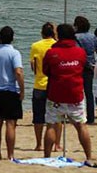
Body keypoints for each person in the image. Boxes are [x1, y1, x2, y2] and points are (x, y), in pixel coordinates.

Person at [43, 23, 92, 161]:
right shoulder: (80, 52)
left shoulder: (51, 53)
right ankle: (88, 156)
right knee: (81, 125)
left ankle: (47, 156)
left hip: (56, 95)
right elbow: (83, 67)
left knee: (51, 125)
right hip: (75, 95)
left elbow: (45, 71)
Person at [0, 26, 25, 160]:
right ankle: (10, 155)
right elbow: (18, 72)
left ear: (0, 38)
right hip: (10, 91)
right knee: (10, 124)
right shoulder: (14, 53)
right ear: (12, 38)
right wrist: (22, 90)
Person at [29, 22, 61, 151]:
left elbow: (33, 66)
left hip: (39, 84)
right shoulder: (57, 45)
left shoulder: (35, 46)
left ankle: (38, 144)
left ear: (42, 33)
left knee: (38, 117)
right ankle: (57, 144)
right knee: (56, 116)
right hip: (54, 85)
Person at [75, 15, 97, 125]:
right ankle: (91, 117)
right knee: (89, 93)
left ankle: (78, 115)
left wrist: (87, 63)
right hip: (91, 68)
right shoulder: (92, 36)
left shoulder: (76, 37)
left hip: (78, 67)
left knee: (77, 92)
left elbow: (78, 53)